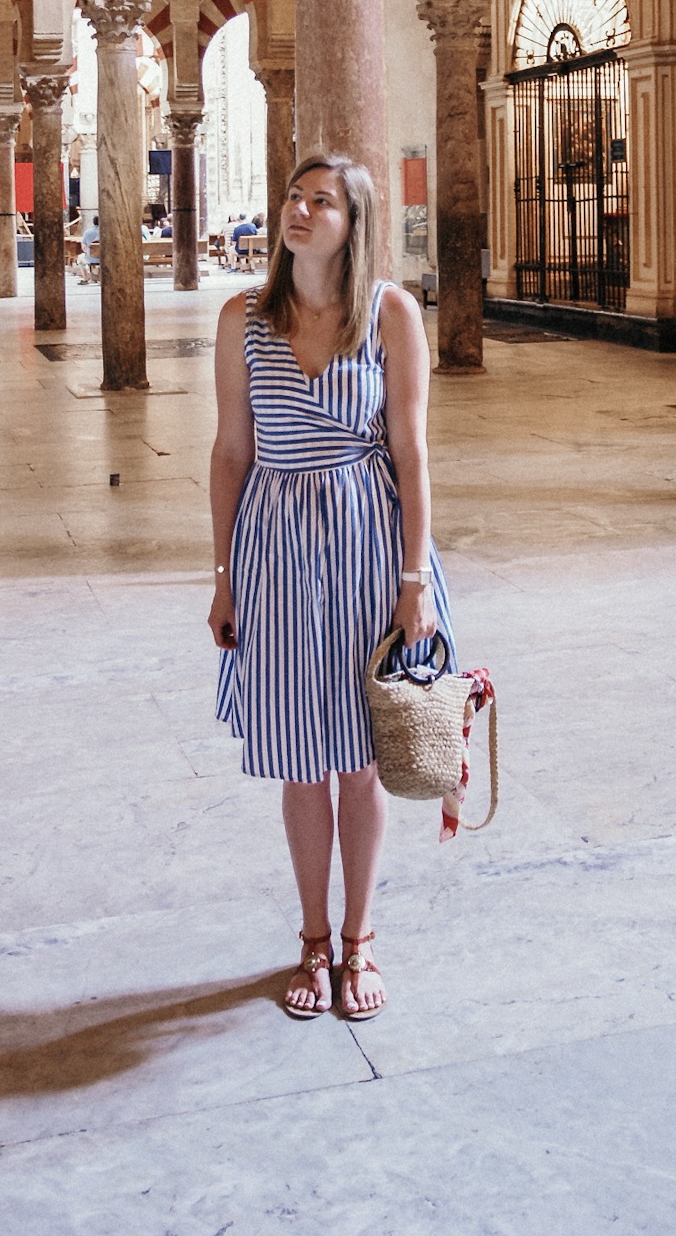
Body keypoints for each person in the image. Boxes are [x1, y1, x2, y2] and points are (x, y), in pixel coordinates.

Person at [208, 153, 454, 1023]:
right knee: (298, 760)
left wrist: (413, 579)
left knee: (356, 759)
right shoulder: (243, 318)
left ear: (354, 223)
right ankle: (310, 938)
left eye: (321, 201)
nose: (299, 211)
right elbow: (232, 451)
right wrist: (223, 576)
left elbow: (413, 454)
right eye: (292, 196)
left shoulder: (390, 313)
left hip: (364, 542)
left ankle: (359, 940)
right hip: (274, 551)